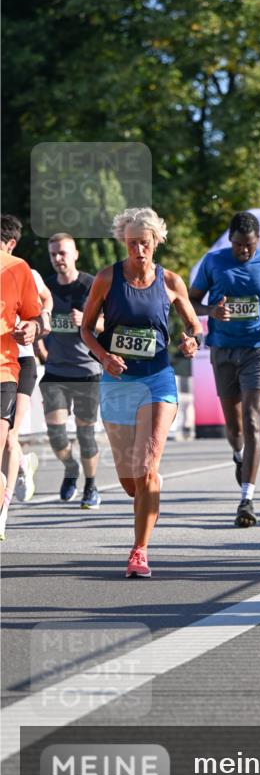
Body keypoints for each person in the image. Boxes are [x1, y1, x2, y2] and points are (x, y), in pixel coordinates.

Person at [81, 207, 202, 578]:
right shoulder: (106, 278)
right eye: (132, 243)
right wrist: (104, 356)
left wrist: (191, 341)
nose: (138, 250)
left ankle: (139, 551)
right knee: (130, 481)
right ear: (124, 242)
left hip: (157, 379)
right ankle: (148, 487)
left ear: (156, 242)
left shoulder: (171, 282)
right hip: (118, 382)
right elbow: (86, 329)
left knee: (148, 465)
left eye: (144, 243)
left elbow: (194, 325)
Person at [189, 212, 260, 527]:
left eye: (248, 245)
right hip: (223, 350)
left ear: (257, 240)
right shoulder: (213, 262)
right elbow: (191, 301)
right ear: (230, 239)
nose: (243, 251)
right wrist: (210, 311)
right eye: (237, 245)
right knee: (234, 430)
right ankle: (238, 456)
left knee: (252, 420)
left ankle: (247, 498)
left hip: (259, 349)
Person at [41, 233, 104, 508]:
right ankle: (70, 468)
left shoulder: (90, 285)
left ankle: (91, 485)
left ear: (75, 254)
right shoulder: (47, 286)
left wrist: (88, 322)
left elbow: (109, 321)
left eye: (63, 253)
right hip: (56, 370)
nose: (58, 259)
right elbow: (36, 317)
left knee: (85, 434)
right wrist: (41, 348)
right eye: (53, 254)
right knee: (55, 433)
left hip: (87, 370)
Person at [0, 215, 52, 540]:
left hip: (19, 362)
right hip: (11, 362)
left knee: (10, 437)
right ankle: (20, 467)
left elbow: (43, 308)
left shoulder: (23, 270)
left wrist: (34, 327)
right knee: (8, 440)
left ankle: (2, 514)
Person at [0, 240, 42, 520]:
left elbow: (35, 314)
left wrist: (32, 327)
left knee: (10, 439)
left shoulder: (17, 268)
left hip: (4, 370)